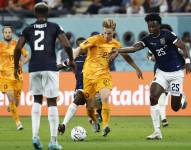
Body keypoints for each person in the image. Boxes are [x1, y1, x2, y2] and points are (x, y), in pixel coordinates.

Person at [58, 18, 143, 137]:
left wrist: (136, 67)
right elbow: (79, 49)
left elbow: (126, 56)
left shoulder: (115, 44)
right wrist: (69, 60)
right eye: (105, 32)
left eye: (109, 33)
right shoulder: (95, 39)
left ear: (114, 32)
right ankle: (95, 121)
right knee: (89, 108)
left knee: (105, 96)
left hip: (103, 75)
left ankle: (106, 125)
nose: (107, 35)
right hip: (88, 77)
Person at [111, 13, 191, 140]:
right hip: (162, 72)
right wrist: (118, 50)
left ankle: (181, 99)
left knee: (175, 108)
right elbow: (134, 48)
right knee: (153, 96)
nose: (151, 29)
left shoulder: (168, 35)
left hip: (176, 73)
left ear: (158, 25)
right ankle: (157, 132)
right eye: (149, 27)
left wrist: (187, 61)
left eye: (153, 26)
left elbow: (183, 46)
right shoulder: (148, 39)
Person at [14, 2, 75, 150]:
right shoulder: (54, 26)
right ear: (47, 13)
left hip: (34, 68)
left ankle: (35, 136)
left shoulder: (28, 29)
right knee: (52, 102)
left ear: (35, 14)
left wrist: (16, 66)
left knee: (37, 100)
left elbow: (17, 48)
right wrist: (71, 60)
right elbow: (66, 45)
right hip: (50, 67)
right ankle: (53, 142)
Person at [0, 25, 29, 130]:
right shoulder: (0, 45)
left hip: (17, 76)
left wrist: (22, 63)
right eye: (6, 32)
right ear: (3, 34)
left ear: (12, 33)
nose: (8, 34)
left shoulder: (17, 44)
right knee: (11, 98)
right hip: (5, 77)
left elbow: (27, 56)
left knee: (16, 103)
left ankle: (11, 107)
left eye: (9, 32)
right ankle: (18, 123)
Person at [147, 23, 174, 127]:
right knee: (161, 96)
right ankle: (163, 119)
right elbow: (149, 55)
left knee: (171, 94)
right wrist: (151, 58)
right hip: (160, 71)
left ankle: (182, 99)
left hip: (172, 72)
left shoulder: (173, 43)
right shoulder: (154, 43)